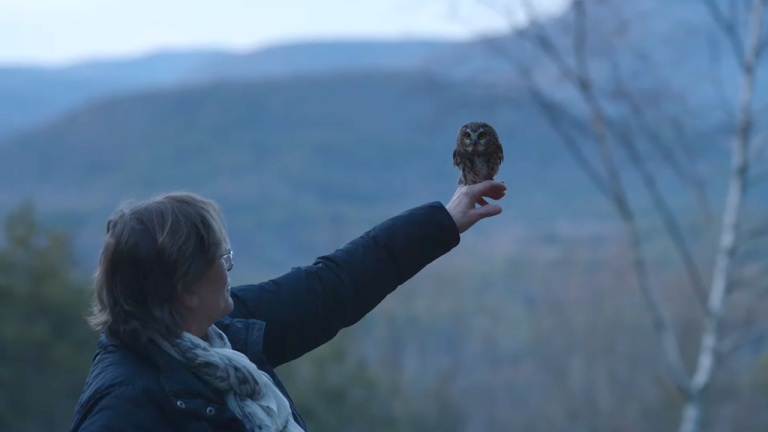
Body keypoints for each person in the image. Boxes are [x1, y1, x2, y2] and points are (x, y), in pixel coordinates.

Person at [69, 180, 506, 432]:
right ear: (185, 290)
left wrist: (445, 220)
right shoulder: (123, 406)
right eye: (221, 260)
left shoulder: (221, 337)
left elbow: (334, 286)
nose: (231, 266)